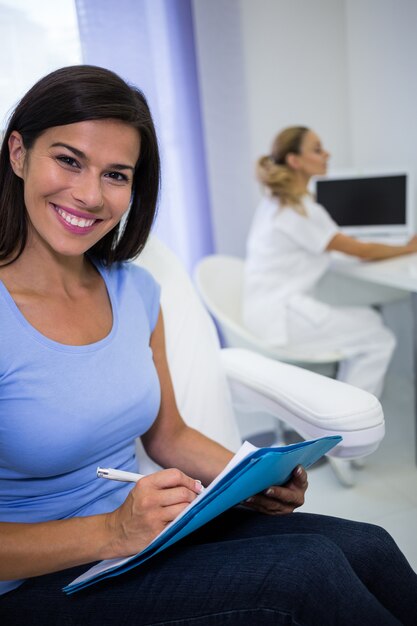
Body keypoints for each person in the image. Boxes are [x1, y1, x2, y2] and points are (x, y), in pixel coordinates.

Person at [0, 67, 416, 626]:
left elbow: (168, 435)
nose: (90, 194)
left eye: (117, 174)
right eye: (69, 160)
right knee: (306, 572)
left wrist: (246, 481)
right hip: (40, 579)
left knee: (369, 545)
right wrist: (111, 530)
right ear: (19, 153)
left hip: (141, 539)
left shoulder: (135, 291)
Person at [243, 126, 417, 399]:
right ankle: (349, 426)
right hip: (280, 319)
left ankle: (342, 413)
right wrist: (408, 248)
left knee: (370, 321)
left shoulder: (277, 202)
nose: (327, 153)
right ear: (294, 161)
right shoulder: (300, 210)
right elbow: (363, 251)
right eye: (317, 149)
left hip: (265, 311)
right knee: (379, 338)